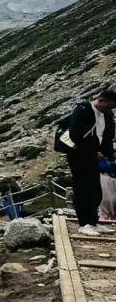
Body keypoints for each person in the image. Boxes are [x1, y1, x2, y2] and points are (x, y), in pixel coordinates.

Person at [64, 89, 116, 236]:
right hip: (79, 155)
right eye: (109, 106)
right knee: (82, 188)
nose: (109, 110)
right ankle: (84, 223)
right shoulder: (83, 110)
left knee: (95, 189)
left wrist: (107, 155)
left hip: (95, 157)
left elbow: (106, 136)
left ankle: (93, 221)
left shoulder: (106, 115)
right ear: (101, 101)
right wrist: (93, 151)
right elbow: (75, 135)